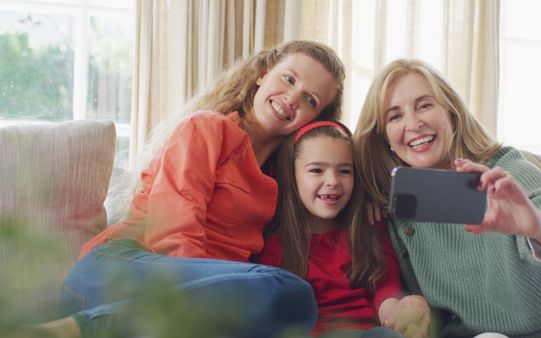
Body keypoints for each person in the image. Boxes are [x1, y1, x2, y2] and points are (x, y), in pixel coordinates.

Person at [8, 40, 346, 338]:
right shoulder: (207, 129)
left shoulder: (281, 181)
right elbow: (174, 234)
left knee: (290, 306)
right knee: (289, 292)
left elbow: (334, 196)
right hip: (117, 274)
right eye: (288, 79)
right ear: (263, 73)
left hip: (175, 302)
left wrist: (376, 202)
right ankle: (74, 330)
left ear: (316, 120)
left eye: (310, 99)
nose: (291, 98)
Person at [352, 59, 541, 338]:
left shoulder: (505, 170)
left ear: (451, 113)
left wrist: (536, 225)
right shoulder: (397, 212)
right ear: (385, 139)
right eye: (395, 116)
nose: (414, 123)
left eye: (425, 105)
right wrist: (365, 195)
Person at [256, 120, 430, 338]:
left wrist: (397, 312)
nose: (333, 181)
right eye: (317, 170)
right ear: (292, 175)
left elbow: (385, 286)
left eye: (344, 171)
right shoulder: (275, 242)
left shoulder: (367, 228)